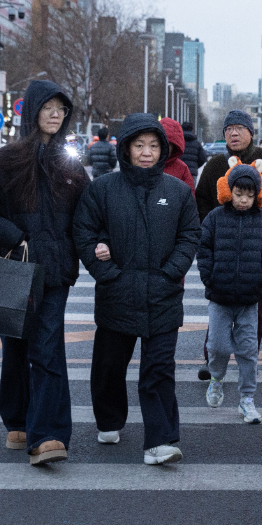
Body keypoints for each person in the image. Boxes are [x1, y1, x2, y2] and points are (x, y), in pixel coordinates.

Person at [0, 80, 90, 465]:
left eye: (61, 109)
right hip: (11, 267)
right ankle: (17, 422)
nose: (55, 114)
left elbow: (89, 214)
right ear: (32, 111)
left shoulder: (70, 164)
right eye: (48, 107)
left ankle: (48, 435)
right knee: (15, 348)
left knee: (47, 349)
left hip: (54, 272)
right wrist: (15, 236)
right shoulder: (7, 159)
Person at [72, 113, 201, 463]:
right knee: (109, 367)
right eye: (139, 145)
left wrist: (171, 272)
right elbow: (83, 231)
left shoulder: (177, 191)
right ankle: (109, 419)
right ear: (126, 148)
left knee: (159, 371)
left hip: (163, 295)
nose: (147, 152)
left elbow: (190, 234)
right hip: (117, 293)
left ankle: (161, 441)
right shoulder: (102, 189)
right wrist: (107, 272)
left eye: (154, 146)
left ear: (163, 150)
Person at [195, 109, 262, 379]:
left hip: (256, 252)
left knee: (254, 311)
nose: (234, 133)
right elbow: (201, 201)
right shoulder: (215, 165)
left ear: (251, 132)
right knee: (218, 307)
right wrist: (211, 231)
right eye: (229, 129)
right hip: (222, 252)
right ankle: (212, 361)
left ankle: (248, 362)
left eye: (239, 128)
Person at [198, 159, 262, 424]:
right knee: (217, 346)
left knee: (248, 351)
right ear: (229, 191)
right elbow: (204, 248)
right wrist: (208, 276)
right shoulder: (215, 217)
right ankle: (216, 379)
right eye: (239, 193)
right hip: (219, 296)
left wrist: (261, 278)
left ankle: (247, 399)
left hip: (249, 298)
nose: (243, 200)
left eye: (249, 195)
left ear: (257, 196)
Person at [160, 118, 196, 195]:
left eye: (167, 145)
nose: (163, 149)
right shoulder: (144, 164)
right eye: (160, 144)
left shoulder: (182, 169)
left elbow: (189, 197)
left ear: (174, 147)